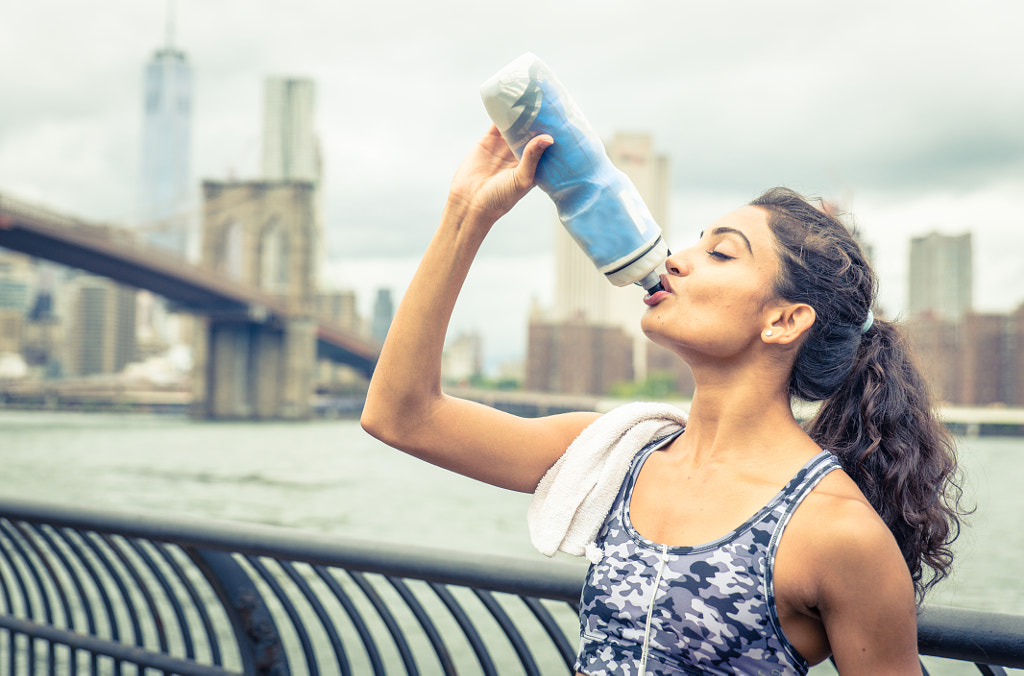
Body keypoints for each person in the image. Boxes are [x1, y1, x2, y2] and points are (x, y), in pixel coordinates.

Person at [361, 126, 966, 675]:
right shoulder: (621, 454)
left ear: (784, 320)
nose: (675, 259)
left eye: (720, 253)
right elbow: (401, 416)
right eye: (696, 243)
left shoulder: (839, 531)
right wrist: (466, 213)